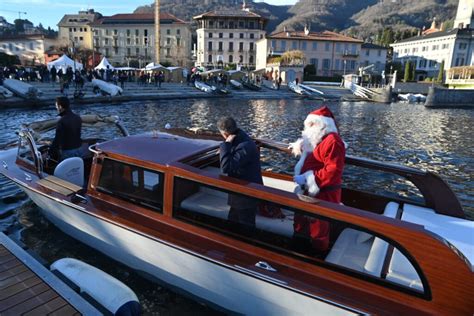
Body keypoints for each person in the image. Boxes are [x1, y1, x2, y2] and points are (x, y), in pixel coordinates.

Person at [289, 106, 345, 252]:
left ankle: (316, 259)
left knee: (318, 230)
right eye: (308, 124)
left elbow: (333, 171)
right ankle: (298, 252)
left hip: (323, 194)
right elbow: (312, 149)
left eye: (313, 124)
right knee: (301, 225)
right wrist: (299, 146)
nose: (309, 128)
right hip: (308, 193)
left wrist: (308, 178)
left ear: (323, 125)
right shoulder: (318, 138)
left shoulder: (333, 141)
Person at [218, 117, 263, 229]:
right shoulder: (241, 138)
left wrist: (225, 145)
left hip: (246, 194)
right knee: (232, 223)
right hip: (239, 193)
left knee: (246, 226)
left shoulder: (244, 146)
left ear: (225, 133)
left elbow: (225, 167)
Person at [49, 96, 83, 161]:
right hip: (79, 149)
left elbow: (57, 140)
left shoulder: (61, 121)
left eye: (56, 106)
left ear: (60, 106)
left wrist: (49, 153)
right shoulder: (78, 118)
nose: (56, 108)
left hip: (67, 152)